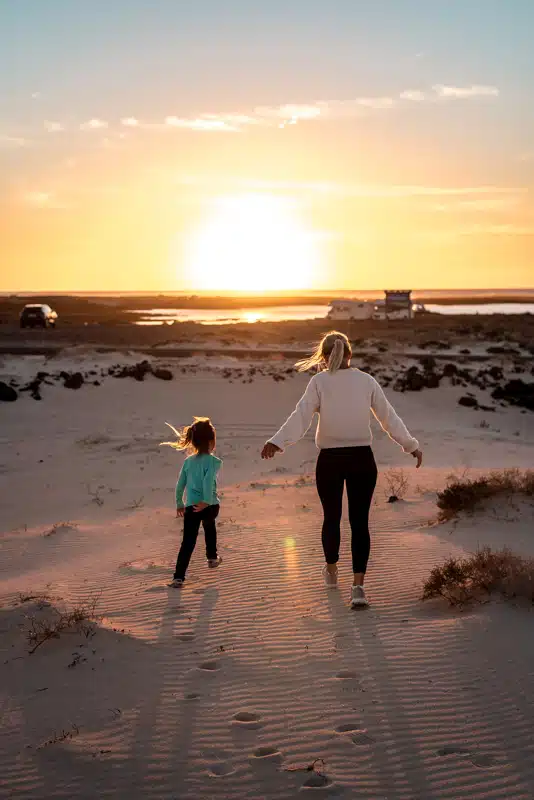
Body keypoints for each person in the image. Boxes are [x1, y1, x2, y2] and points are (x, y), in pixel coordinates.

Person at [261, 331, 422, 609]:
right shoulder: (366, 381)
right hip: (362, 460)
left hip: (330, 461)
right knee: (359, 523)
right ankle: (358, 588)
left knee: (331, 518)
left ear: (323, 357)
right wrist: (411, 445)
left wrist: (277, 441)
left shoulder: (319, 381)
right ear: (350, 353)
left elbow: (300, 417)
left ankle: (332, 570)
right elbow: (388, 418)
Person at [161, 417, 222, 587]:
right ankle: (211, 557)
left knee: (187, 542)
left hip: (191, 507)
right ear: (211, 441)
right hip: (209, 505)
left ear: (193, 441)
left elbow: (180, 484)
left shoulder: (188, 462)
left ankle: (178, 577)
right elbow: (208, 480)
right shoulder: (213, 462)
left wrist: (179, 503)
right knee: (209, 527)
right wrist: (207, 501)